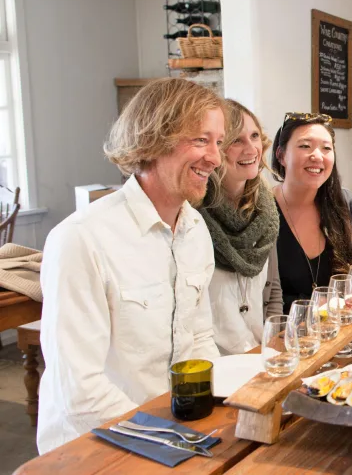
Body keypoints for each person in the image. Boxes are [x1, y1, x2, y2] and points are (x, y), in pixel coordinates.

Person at [37, 79, 224, 453]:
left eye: (218, 142)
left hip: (173, 434)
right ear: (154, 139)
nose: (216, 158)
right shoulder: (81, 238)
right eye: (201, 140)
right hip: (92, 448)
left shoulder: (196, 229)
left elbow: (199, 338)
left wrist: (213, 415)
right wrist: (168, 440)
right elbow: (80, 391)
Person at [199, 100, 282, 355]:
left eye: (255, 136)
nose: (251, 148)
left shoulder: (265, 211)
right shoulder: (195, 215)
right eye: (237, 140)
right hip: (214, 360)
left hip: (259, 353)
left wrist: (272, 344)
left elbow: (274, 290)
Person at [271, 112, 352, 310]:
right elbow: (259, 297)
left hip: (338, 325)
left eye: (326, 148)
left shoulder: (344, 204)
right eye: (305, 146)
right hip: (283, 327)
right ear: (281, 155)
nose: (317, 156)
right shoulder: (263, 210)